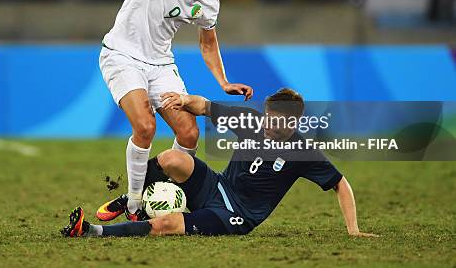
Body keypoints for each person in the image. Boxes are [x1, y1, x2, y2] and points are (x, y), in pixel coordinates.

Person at [97, 0, 252, 221]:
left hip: (161, 64)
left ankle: (151, 192)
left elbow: (208, 44)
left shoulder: (210, 3)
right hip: (122, 54)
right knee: (145, 127)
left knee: (189, 133)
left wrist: (223, 82)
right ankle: (137, 207)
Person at [62, 88, 378, 238]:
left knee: (169, 223)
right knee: (174, 158)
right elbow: (206, 106)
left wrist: (353, 230)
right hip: (217, 185)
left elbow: (340, 183)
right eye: (267, 116)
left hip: (236, 216)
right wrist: (185, 101)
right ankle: (133, 198)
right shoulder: (252, 121)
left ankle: (92, 231)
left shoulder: (303, 152)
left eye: (276, 121)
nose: (267, 124)